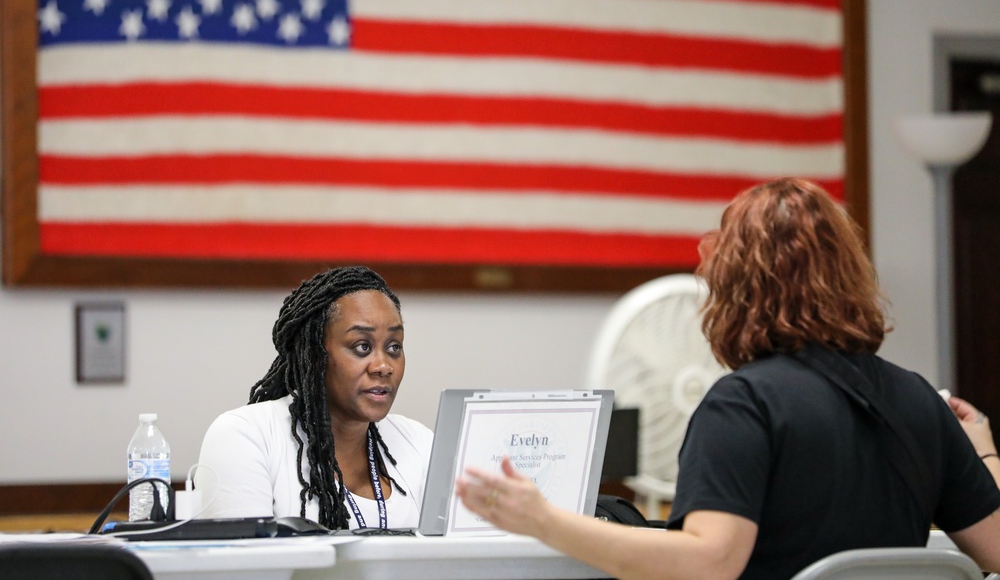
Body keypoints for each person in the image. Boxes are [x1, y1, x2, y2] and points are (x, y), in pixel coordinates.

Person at [456, 177, 1000, 579]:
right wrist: (983, 452)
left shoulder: (745, 403)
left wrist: (543, 519)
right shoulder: (918, 399)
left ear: (737, 287)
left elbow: (709, 561)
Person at [197, 265, 432, 529]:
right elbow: (243, 567)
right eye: (362, 346)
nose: (383, 366)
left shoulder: (420, 443)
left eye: (394, 347)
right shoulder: (245, 437)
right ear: (315, 353)